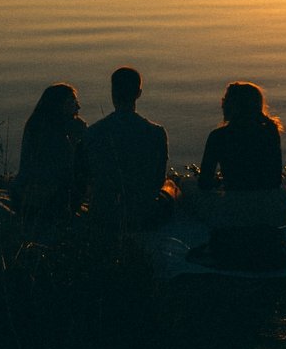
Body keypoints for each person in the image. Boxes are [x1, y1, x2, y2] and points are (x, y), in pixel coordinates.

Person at [194, 81, 286, 228]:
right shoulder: (270, 132)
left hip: (235, 211)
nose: (222, 104)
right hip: (273, 211)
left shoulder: (218, 136)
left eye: (224, 101)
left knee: (186, 185)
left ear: (232, 106)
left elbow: (204, 183)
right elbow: (275, 178)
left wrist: (219, 182)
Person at [85, 66, 170, 232]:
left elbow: (88, 176)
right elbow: (158, 180)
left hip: (103, 214)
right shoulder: (156, 133)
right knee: (172, 187)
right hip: (143, 215)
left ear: (112, 92)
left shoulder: (92, 132)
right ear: (139, 94)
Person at [11, 83, 87, 229]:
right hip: (45, 202)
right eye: (72, 102)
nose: (78, 107)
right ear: (58, 105)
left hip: (19, 198)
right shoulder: (59, 132)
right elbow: (67, 167)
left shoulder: (35, 123)